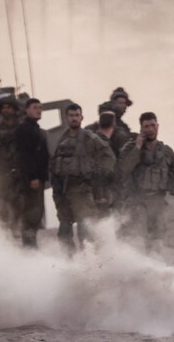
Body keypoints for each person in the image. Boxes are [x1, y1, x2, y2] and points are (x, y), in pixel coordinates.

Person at [118, 112, 174, 251]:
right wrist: (137, 147)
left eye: (152, 125)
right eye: (146, 126)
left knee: (157, 238)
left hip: (157, 200)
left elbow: (173, 174)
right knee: (135, 236)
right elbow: (124, 168)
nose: (150, 129)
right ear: (141, 129)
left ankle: (153, 265)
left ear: (158, 126)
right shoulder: (131, 147)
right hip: (136, 199)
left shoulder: (166, 151)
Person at [51, 104, 115, 250]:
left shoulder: (89, 138)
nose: (74, 118)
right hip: (64, 192)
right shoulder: (62, 140)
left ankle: (88, 261)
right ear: (67, 118)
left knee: (85, 230)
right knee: (64, 231)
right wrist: (57, 191)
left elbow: (108, 157)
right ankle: (70, 262)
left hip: (82, 190)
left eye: (76, 115)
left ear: (81, 117)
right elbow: (54, 166)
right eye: (71, 115)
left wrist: (96, 174)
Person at [13, 98, 50, 247]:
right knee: (32, 214)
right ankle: (29, 245)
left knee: (37, 213)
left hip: (38, 179)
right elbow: (25, 156)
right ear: (27, 110)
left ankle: (31, 243)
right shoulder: (25, 129)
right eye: (35, 107)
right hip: (31, 180)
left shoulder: (35, 128)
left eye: (40, 108)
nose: (39, 110)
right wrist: (32, 177)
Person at [0, 96, 21, 226]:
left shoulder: (21, 127)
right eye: (4, 108)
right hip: (2, 170)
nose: (6, 111)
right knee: (2, 202)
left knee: (21, 203)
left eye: (9, 108)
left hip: (19, 170)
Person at [92, 111, 119, 216]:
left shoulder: (93, 140)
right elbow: (100, 172)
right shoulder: (102, 145)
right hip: (100, 196)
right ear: (114, 124)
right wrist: (100, 195)